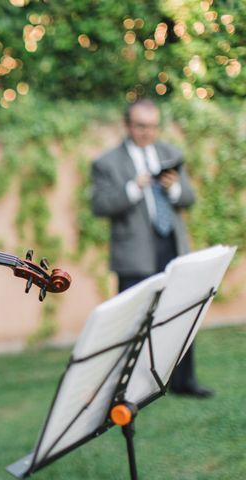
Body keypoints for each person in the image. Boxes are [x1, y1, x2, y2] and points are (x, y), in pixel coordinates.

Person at [90, 98, 213, 398]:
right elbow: (100, 204)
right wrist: (135, 187)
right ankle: (127, 389)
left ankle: (184, 381)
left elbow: (188, 198)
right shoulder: (107, 162)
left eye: (153, 127)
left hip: (172, 245)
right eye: (141, 126)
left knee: (183, 312)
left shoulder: (170, 152)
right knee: (133, 321)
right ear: (127, 125)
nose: (148, 133)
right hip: (135, 253)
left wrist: (173, 188)